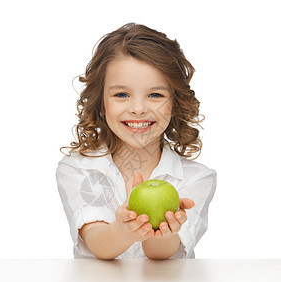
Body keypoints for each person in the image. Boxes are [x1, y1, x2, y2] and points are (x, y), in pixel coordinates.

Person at [56, 23, 217, 260]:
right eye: (122, 94)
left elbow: (161, 254)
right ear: (101, 102)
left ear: (175, 104)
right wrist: (123, 231)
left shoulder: (196, 178)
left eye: (155, 95)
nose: (139, 109)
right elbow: (98, 244)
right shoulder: (79, 170)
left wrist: (162, 232)